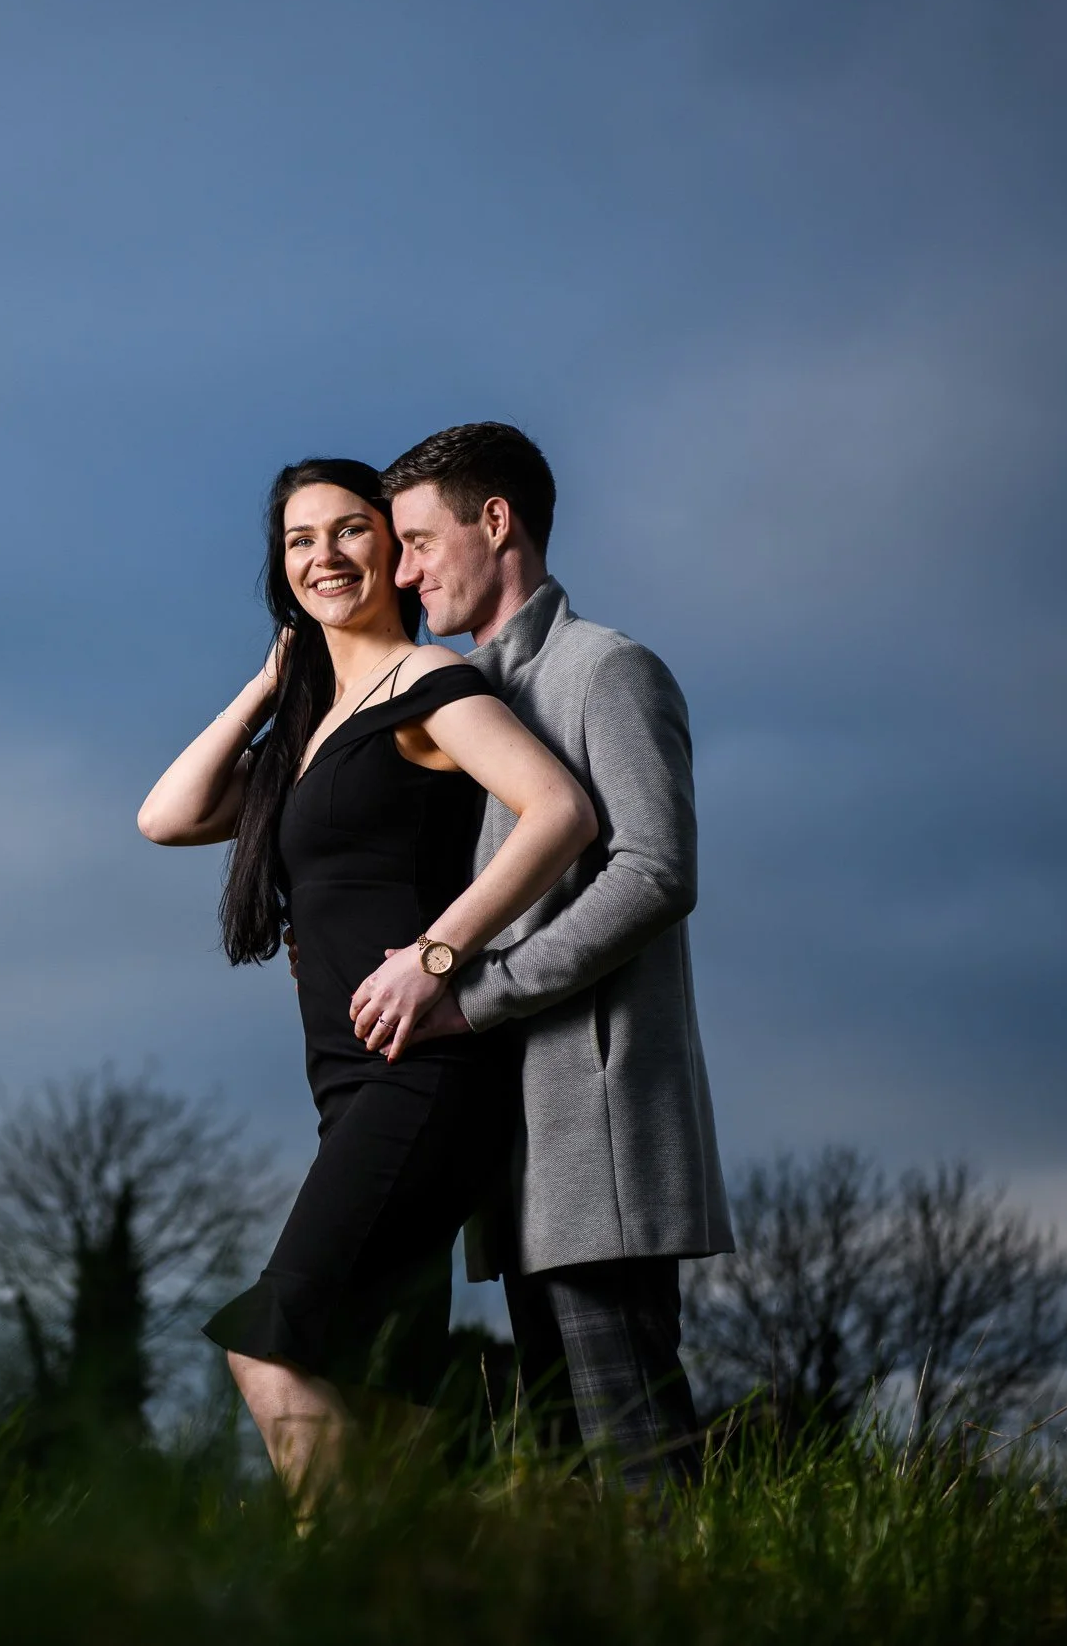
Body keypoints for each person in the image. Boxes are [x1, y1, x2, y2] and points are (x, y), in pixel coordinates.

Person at [137, 457, 597, 1515]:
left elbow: (559, 810)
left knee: (272, 1346)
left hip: (427, 1073)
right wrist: (270, 683)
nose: (325, 555)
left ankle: (337, 1580)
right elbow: (167, 815)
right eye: (299, 540)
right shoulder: (309, 736)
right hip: (348, 1086)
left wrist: (436, 953)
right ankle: (423, 1578)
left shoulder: (431, 684)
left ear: (395, 550)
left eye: (350, 529)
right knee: (381, 1398)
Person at [370, 421, 733, 1493]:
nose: (403, 573)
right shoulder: (455, 703)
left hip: (600, 1139)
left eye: (417, 542)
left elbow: (655, 873)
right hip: (514, 1149)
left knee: (639, 1470)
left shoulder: (607, 670)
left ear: (497, 522)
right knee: (571, 1479)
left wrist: (474, 992)